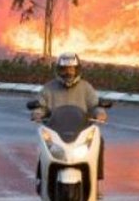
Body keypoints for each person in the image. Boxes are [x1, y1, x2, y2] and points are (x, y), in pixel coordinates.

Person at [31, 52, 108, 190]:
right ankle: (41, 179)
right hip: (55, 132)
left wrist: (100, 113)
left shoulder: (86, 87)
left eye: (71, 69)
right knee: (43, 144)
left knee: (99, 140)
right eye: (64, 69)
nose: (68, 72)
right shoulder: (49, 88)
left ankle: (96, 180)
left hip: (81, 132)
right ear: (58, 70)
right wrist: (37, 113)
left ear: (77, 70)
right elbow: (40, 106)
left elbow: (95, 105)